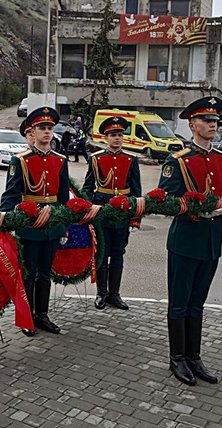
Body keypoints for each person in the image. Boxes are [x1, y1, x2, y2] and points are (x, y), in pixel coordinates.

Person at [157, 96, 222, 386]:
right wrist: (191, 207)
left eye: (215, 121)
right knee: (180, 303)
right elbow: (164, 200)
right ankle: (177, 359)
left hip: (211, 240)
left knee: (198, 303)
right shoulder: (178, 160)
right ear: (191, 124)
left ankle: (194, 356)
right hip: (185, 240)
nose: (212, 124)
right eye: (206, 120)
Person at [0, 107, 69, 337]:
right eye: (42, 128)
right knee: (29, 274)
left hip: (52, 225)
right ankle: (27, 316)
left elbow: (63, 198)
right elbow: (10, 196)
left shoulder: (61, 160)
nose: (47, 132)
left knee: (45, 274)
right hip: (29, 226)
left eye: (50, 128)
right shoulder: (20, 161)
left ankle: (42, 315)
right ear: (32, 131)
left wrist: (63, 225)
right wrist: (7, 222)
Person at [82, 117, 142, 310]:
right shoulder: (96, 158)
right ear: (105, 137)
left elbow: (136, 191)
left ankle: (115, 294)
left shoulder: (131, 159)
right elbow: (88, 187)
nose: (117, 139)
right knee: (102, 253)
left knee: (118, 254)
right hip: (102, 213)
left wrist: (134, 218)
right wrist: (90, 209)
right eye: (113, 135)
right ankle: (101, 293)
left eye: (119, 135)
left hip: (122, 214)